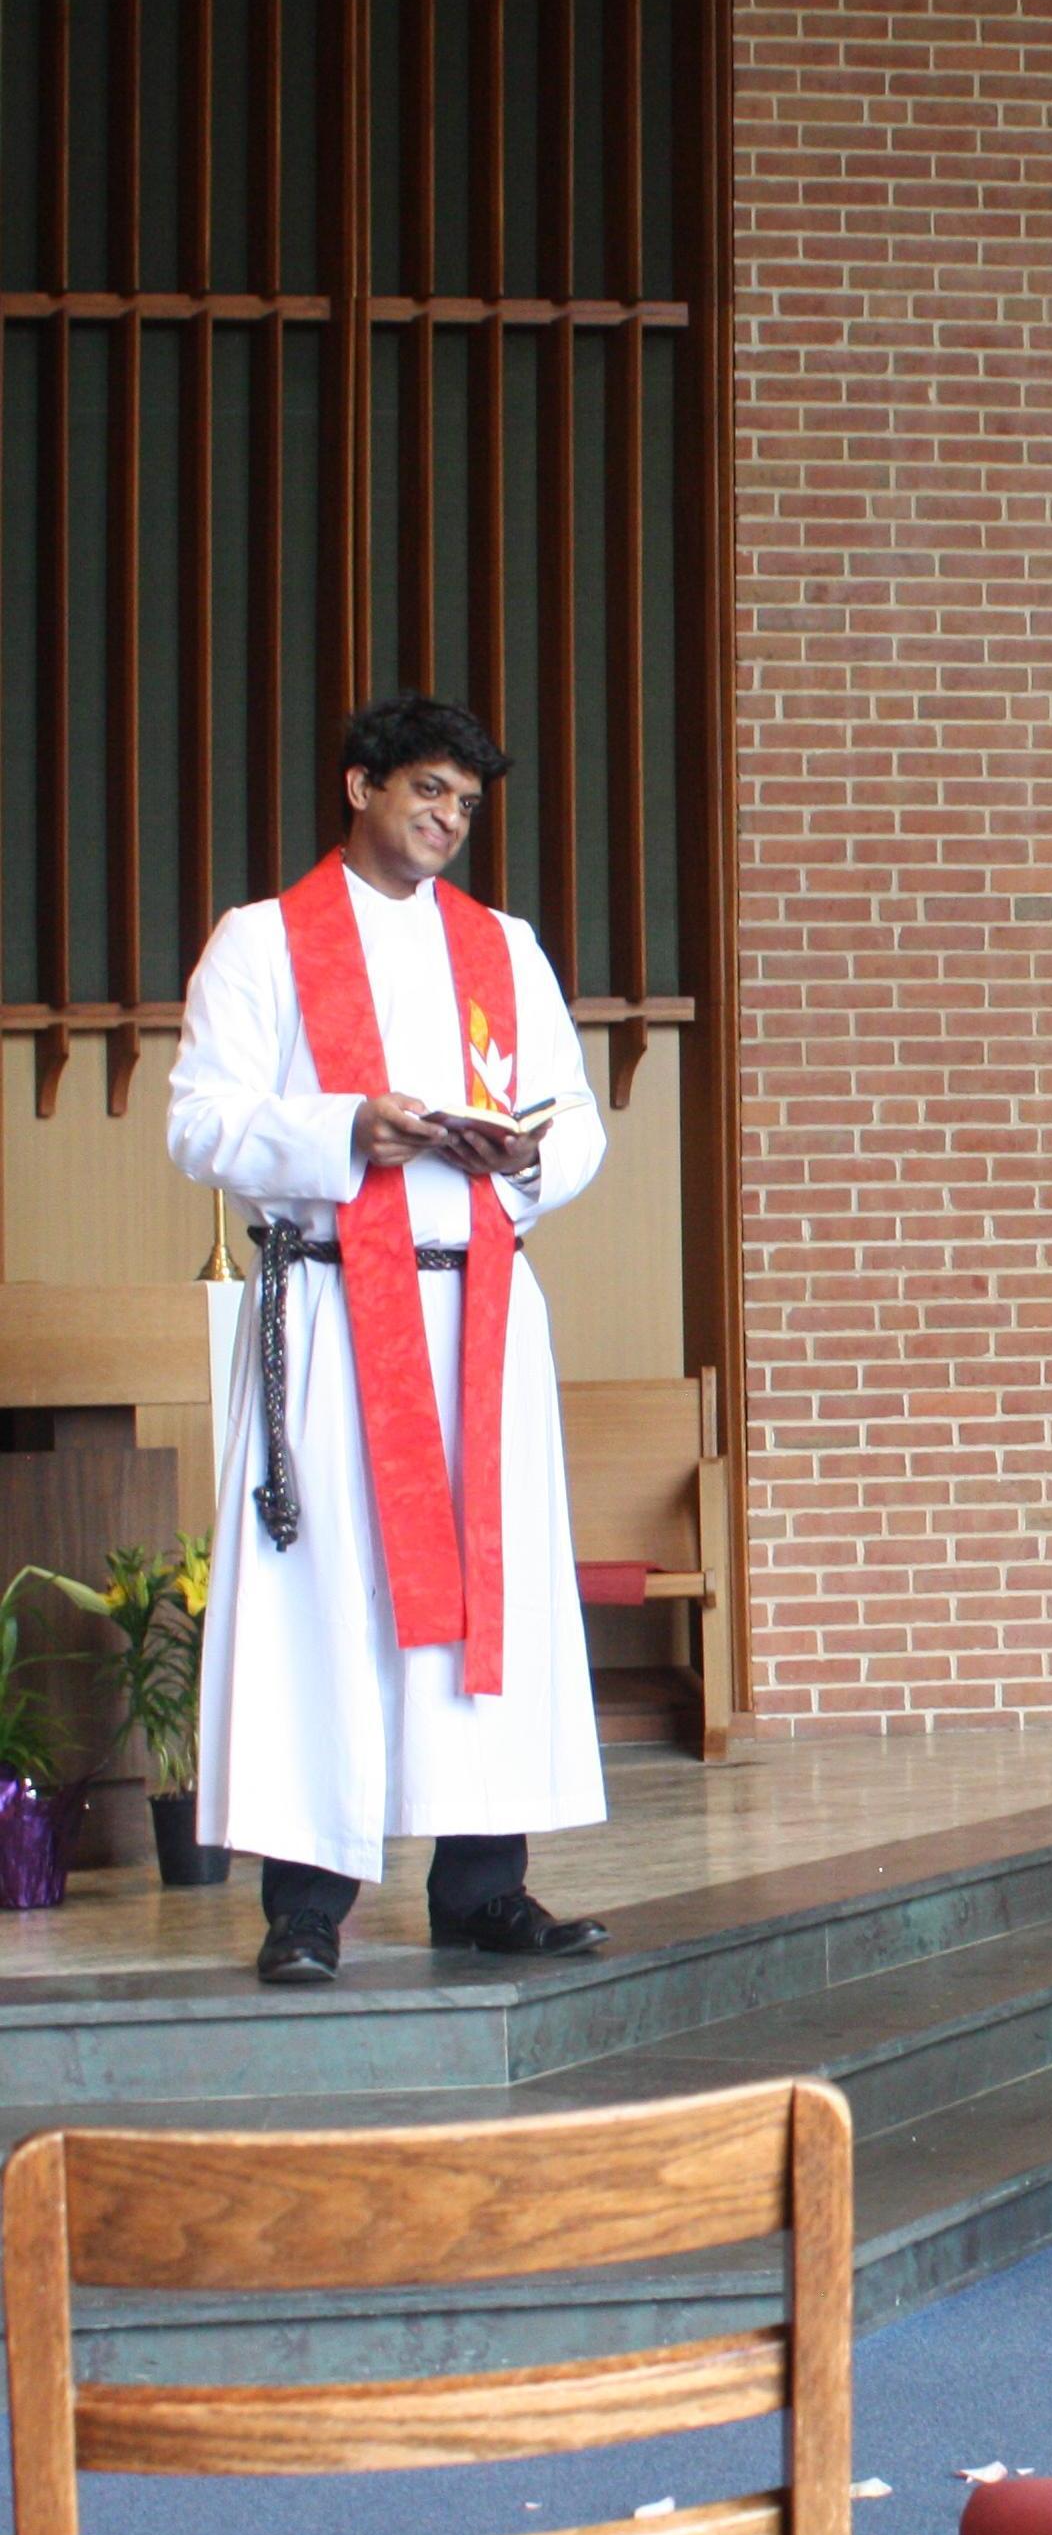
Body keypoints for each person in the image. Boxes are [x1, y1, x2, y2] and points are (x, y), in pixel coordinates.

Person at [169, 697, 613, 1985]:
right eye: (427, 791)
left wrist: (526, 1156)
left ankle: (485, 1890)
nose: (447, 820)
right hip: (328, 1305)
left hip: (473, 1302)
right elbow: (199, 1124)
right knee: (330, 1602)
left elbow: (577, 1119)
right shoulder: (263, 944)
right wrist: (341, 1133)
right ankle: (306, 1910)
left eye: (466, 806)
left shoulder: (502, 948)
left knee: (487, 1584)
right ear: (360, 784)